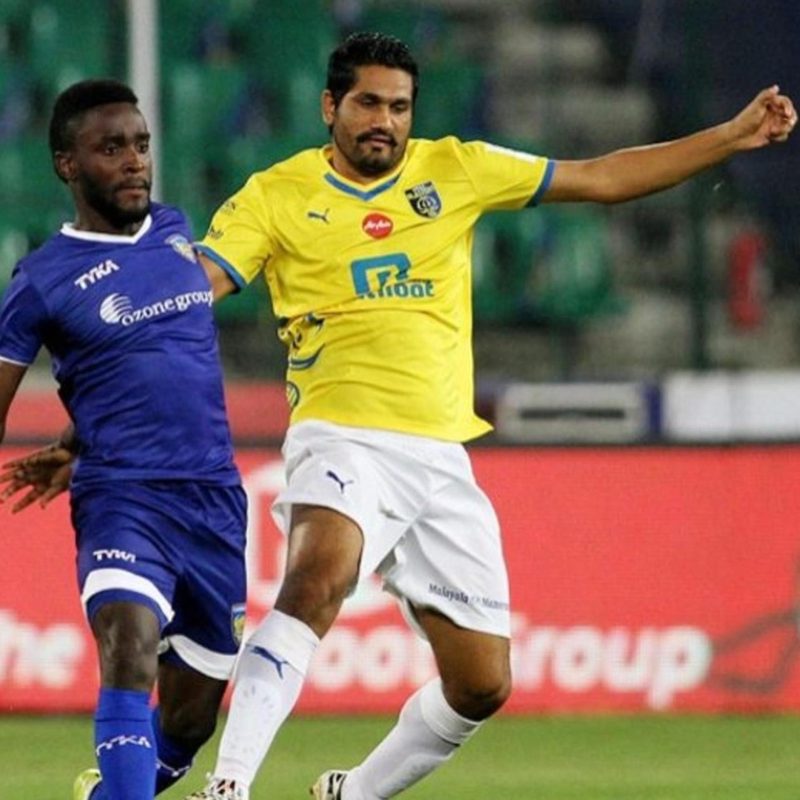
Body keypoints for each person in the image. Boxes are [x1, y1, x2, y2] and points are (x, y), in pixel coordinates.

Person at [4, 32, 796, 800]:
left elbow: (602, 177)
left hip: (441, 455)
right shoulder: (277, 195)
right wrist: (94, 428)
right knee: (316, 580)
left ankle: (353, 792)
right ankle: (230, 785)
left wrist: (729, 136)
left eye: (399, 106)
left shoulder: (458, 169)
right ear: (330, 108)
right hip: (339, 434)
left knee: (482, 683)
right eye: (368, 104)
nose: (384, 121)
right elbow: (173, 312)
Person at [0, 79, 248, 800]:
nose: (135, 160)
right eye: (111, 148)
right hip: (123, 499)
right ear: (67, 165)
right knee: (128, 648)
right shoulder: (42, 280)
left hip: (213, 500)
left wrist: (74, 439)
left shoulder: (175, 230)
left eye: (140, 144)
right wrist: (91, 453)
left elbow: (152, 364)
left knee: (191, 720)